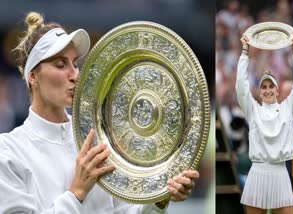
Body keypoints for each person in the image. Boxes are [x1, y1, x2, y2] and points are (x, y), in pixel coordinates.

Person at [0, 12, 200, 213]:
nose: (75, 75)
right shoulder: (8, 152)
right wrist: (77, 191)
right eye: (60, 64)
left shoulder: (97, 138)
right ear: (33, 77)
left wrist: (158, 199)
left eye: (75, 64)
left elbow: (123, 210)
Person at [235, 32, 293, 214]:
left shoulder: (287, 108)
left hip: (281, 172)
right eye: (264, 87)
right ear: (259, 92)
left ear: (277, 90)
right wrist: (245, 51)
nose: (267, 90)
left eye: (271, 86)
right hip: (258, 172)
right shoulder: (253, 110)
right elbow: (241, 86)